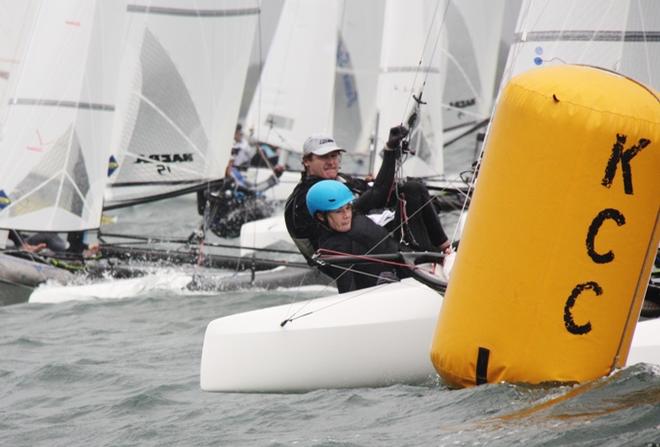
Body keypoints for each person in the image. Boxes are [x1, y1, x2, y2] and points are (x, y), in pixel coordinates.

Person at [284, 125, 450, 264]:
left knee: (413, 189)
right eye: (323, 157)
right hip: (342, 258)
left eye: (334, 156)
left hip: (367, 241)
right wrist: (390, 151)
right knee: (411, 193)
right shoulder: (304, 197)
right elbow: (375, 195)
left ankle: (446, 251)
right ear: (307, 161)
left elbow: (379, 193)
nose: (331, 161)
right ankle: (426, 260)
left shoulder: (342, 180)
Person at [306, 179, 411, 293]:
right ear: (321, 216)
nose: (346, 215)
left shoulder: (356, 217)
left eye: (348, 208)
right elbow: (347, 289)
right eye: (338, 211)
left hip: (413, 267)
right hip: (390, 290)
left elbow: (379, 190)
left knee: (413, 188)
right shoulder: (335, 246)